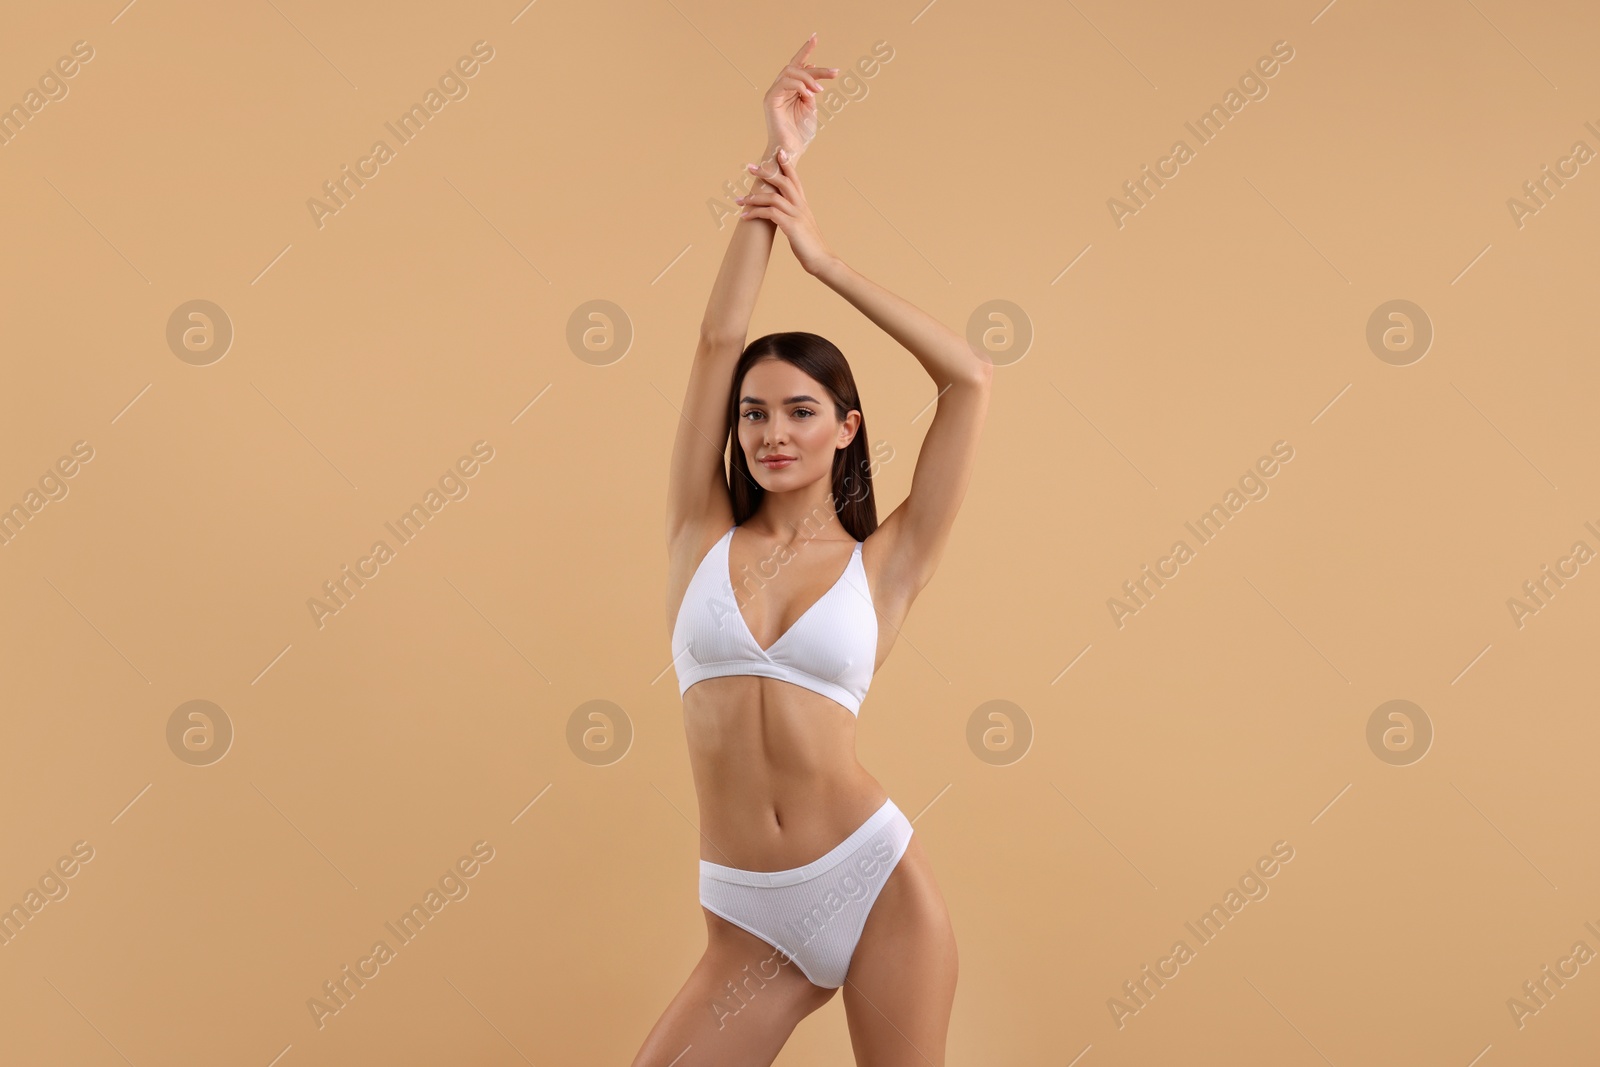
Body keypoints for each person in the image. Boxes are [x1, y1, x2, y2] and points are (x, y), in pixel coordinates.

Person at [633, 34, 992, 1067]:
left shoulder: (890, 560)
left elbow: (968, 380)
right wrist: (775, 164)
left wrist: (822, 261)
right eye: (754, 415)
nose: (771, 431)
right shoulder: (697, 532)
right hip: (747, 915)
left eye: (800, 410)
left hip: (872, 880)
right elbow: (714, 342)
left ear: (846, 425)